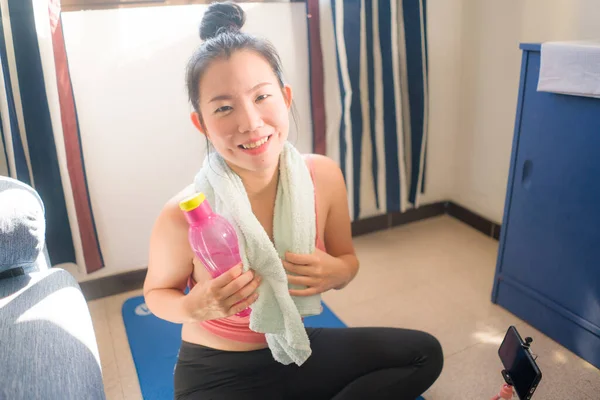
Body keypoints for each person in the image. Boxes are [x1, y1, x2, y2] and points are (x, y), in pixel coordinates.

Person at [143, 2, 443, 399]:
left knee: (424, 354)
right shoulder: (186, 212)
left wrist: (337, 273)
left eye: (261, 96)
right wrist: (191, 308)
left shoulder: (323, 176)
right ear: (201, 122)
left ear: (285, 97)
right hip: (217, 369)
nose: (250, 122)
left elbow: (347, 261)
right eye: (224, 108)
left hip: (295, 347)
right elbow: (156, 294)